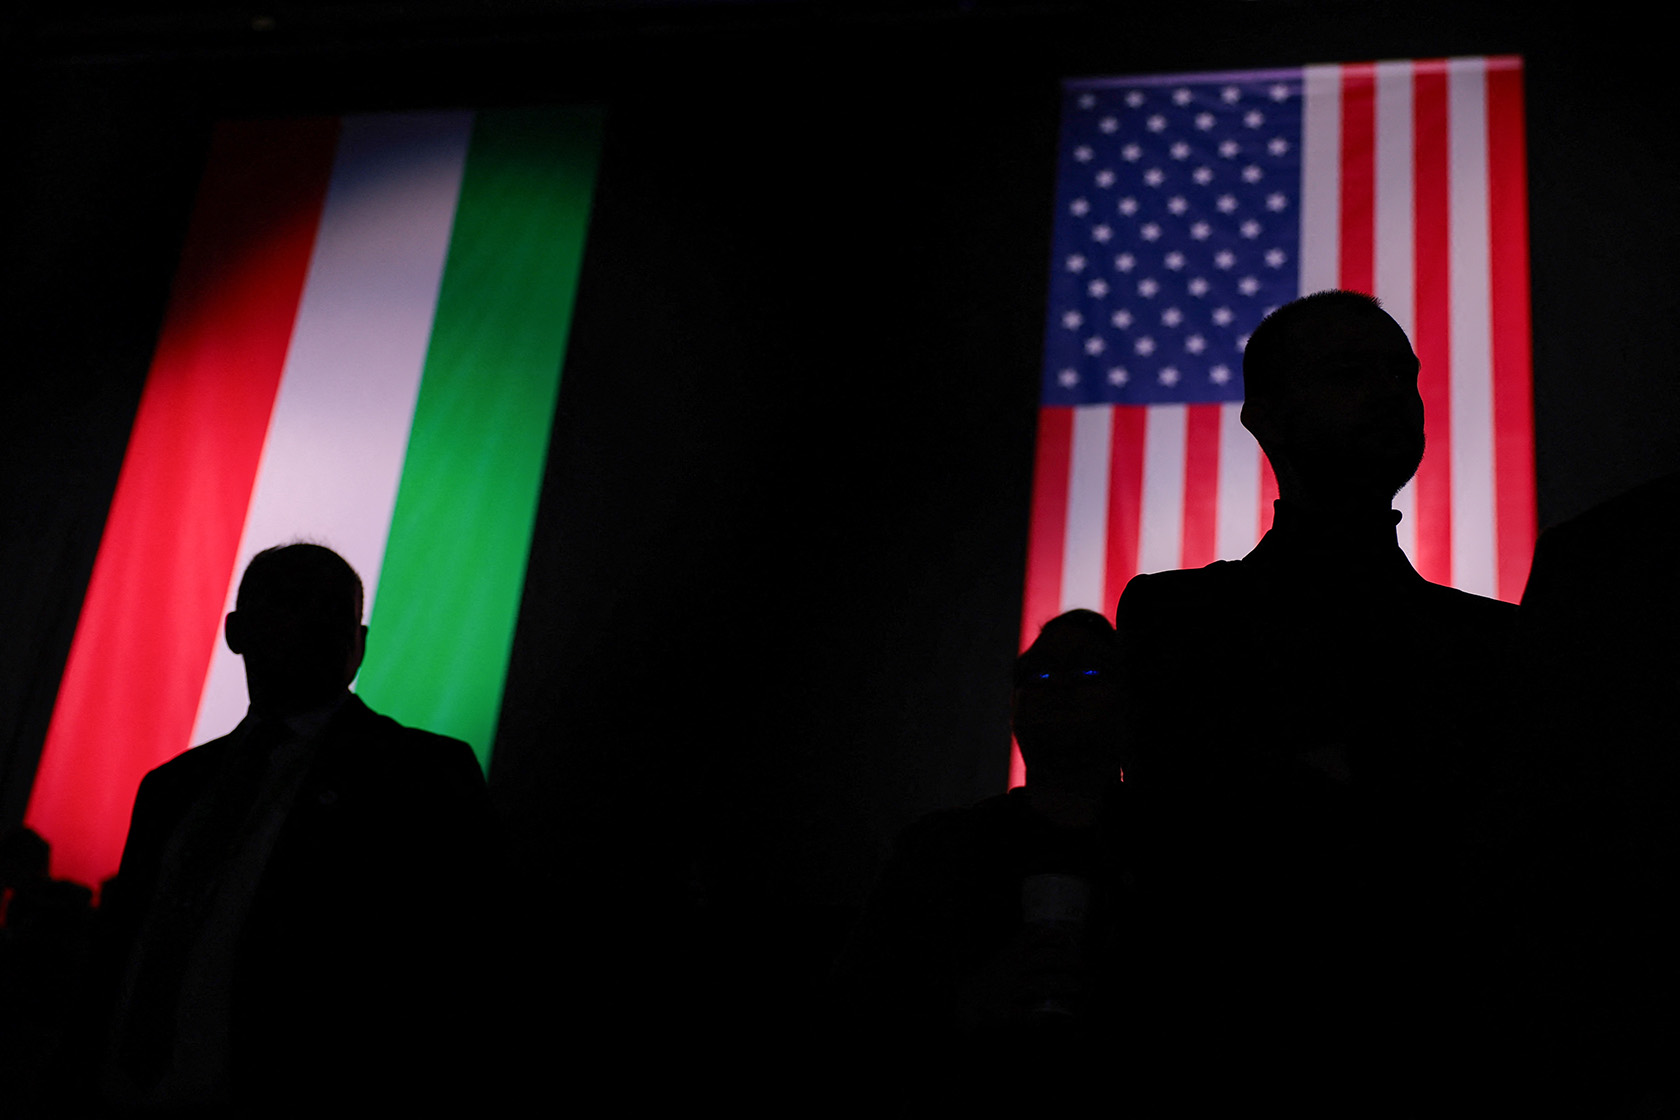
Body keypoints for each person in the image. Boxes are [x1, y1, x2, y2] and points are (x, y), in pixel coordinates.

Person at [1113, 291, 1516, 1112]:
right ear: (1265, 416)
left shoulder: (1498, 643)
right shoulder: (1176, 619)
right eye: (1348, 373)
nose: (1391, 394)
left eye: (1402, 375)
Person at [94, 543, 496, 1115]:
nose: (314, 623)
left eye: (333, 610)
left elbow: (461, 969)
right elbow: (120, 954)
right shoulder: (170, 788)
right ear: (236, 632)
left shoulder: (423, 776)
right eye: (290, 602)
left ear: (359, 642)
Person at [834, 610, 1130, 1108]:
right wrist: (962, 1007)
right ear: (1013, 708)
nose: (1058, 685)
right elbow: (851, 1018)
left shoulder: (1183, 855)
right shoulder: (936, 850)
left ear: (1131, 702)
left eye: (1087, 671)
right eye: (1038, 674)